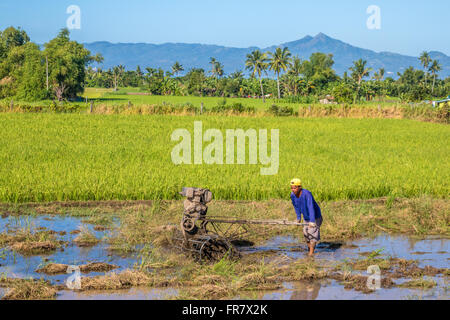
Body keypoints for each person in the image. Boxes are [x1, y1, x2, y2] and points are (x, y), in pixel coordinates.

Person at [290, 178, 323, 256]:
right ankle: (310, 250)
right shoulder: (292, 195)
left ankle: (311, 254)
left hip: (315, 217)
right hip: (306, 217)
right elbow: (296, 206)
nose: (293, 190)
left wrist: (312, 221)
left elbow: (310, 206)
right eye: (291, 188)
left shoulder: (307, 194)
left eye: (295, 188)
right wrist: (298, 218)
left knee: (312, 234)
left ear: (299, 187)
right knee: (306, 233)